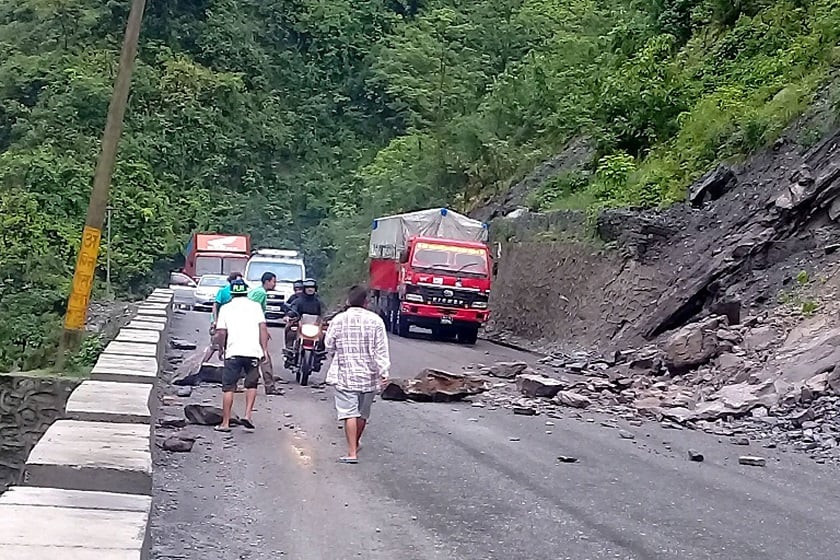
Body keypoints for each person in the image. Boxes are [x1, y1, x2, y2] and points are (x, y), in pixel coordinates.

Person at [324, 284, 390, 464]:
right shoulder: (376, 321)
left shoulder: (338, 320)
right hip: (370, 376)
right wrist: (384, 372)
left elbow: (328, 344)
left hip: (346, 374)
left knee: (349, 413)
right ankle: (356, 443)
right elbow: (381, 350)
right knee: (362, 414)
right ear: (366, 302)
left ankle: (352, 452)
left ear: (348, 300)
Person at [213, 279, 269, 432]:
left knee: (228, 388)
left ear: (232, 292)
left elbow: (221, 332)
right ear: (246, 291)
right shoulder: (256, 306)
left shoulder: (225, 308)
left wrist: (221, 348)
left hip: (233, 352)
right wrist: (264, 350)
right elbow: (263, 328)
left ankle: (225, 423)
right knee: (251, 384)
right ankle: (248, 415)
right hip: (253, 352)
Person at [196, 272, 243, 370]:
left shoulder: (241, 294)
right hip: (221, 322)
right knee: (214, 345)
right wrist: (214, 320)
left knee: (230, 346)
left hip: (234, 324)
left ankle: (228, 368)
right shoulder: (223, 291)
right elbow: (215, 306)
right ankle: (200, 366)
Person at [248, 272, 280, 395]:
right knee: (264, 355)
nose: (275, 284)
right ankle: (269, 386)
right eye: (273, 281)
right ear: (267, 281)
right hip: (254, 327)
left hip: (252, 327)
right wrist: (263, 330)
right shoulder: (261, 293)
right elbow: (254, 311)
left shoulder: (256, 291)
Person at [284, 278, 325, 365]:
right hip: (300, 324)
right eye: (308, 287)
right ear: (304, 289)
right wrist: (289, 316)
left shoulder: (318, 302)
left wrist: (327, 319)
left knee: (323, 334)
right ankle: (289, 350)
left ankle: (319, 353)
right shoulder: (298, 301)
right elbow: (292, 309)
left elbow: (324, 312)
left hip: (315, 326)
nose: (310, 289)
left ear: (315, 289)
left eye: (312, 288)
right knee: (289, 329)